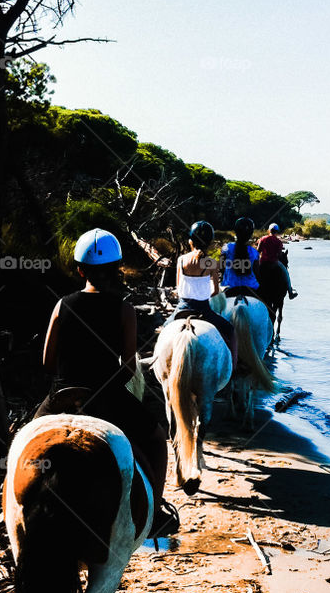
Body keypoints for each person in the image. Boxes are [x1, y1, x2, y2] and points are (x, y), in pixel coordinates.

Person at [39, 228, 178, 536]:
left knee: (23, 440)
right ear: (116, 270)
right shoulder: (124, 310)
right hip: (106, 397)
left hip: (62, 395)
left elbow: (47, 362)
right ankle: (154, 513)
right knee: (156, 439)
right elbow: (128, 368)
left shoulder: (62, 305)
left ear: (79, 269)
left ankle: (9, 498)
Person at [169, 220, 237, 367]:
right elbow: (216, 291)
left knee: (163, 331)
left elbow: (178, 286)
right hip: (203, 310)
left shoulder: (181, 260)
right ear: (209, 242)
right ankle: (233, 366)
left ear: (190, 241)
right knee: (231, 331)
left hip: (182, 309)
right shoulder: (212, 262)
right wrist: (205, 294)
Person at [220, 216, 262, 297]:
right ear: (251, 233)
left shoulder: (227, 248)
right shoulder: (254, 252)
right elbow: (257, 274)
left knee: (214, 307)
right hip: (251, 289)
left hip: (229, 288)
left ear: (236, 232)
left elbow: (222, 268)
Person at [256, 223, 297, 298]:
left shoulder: (262, 239)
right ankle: (290, 292)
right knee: (286, 273)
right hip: (274, 263)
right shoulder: (278, 242)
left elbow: (257, 251)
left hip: (262, 263)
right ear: (277, 231)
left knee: (253, 272)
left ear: (269, 230)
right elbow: (279, 255)